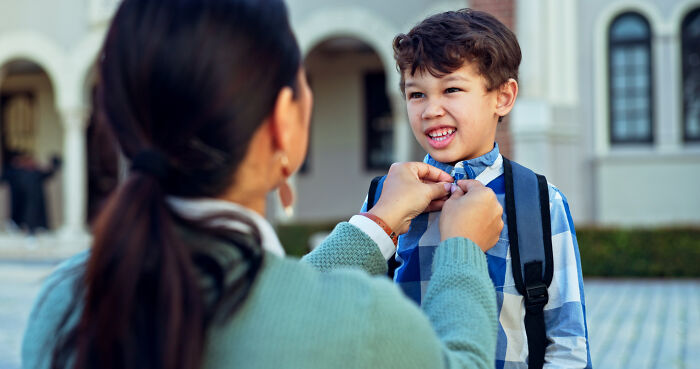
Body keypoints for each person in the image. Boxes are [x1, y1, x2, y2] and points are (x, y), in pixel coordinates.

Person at [21, 1, 505, 368]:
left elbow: (270, 299)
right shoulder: (361, 325)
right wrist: (462, 249)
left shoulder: (65, 303)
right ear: (282, 122)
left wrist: (375, 226)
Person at [361, 9, 592, 368]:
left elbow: (567, 343)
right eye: (416, 94)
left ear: (502, 97)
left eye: (451, 89)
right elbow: (351, 313)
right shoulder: (386, 196)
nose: (430, 110)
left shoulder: (539, 202)